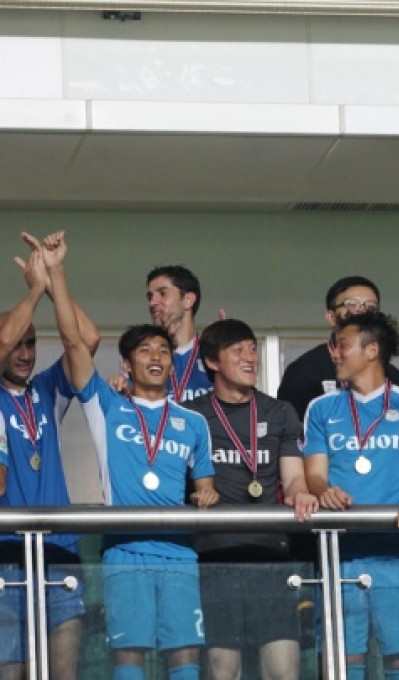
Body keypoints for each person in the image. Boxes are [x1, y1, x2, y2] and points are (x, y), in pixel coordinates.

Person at [50, 233, 219, 680]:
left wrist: (206, 495)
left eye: (163, 351)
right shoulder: (106, 406)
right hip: (124, 552)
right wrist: (56, 273)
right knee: (129, 661)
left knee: (185, 660)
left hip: (180, 554)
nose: (156, 357)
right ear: (127, 364)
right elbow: (73, 344)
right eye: (145, 351)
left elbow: (205, 486)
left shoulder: (193, 422)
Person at [303, 310, 399, 680]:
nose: (334, 353)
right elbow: (313, 474)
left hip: (397, 553)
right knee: (343, 661)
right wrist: (324, 491)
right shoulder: (321, 408)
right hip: (339, 554)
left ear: (372, 350)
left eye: (342, 345)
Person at [184, 318, 318, 680]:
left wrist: (300, 492)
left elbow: (293, 477)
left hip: (270, 554)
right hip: (215, 556)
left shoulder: (279, 412)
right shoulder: (192, 415)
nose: (250, 357)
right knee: (223, 670)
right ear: (212, 361)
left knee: (283, 670)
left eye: (253, 349)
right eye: (237, 350)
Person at [0, 232, 99, 680]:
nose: (24, 353)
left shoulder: (45, 389)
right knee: (12, 672)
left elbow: (88, 340)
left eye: (31, 344)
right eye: (17, 345)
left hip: (60, 552)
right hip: (5, 553)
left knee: (64, 672)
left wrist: (55, 277)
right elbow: (3, 337)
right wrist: (34, 288)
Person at [277, 275, 399, 422]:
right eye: (351, 304)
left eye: (371, 306)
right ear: (331, 317)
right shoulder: (303, 371)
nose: (362, 311)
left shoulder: (392, 375)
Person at [146, 265, 214, 402]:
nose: (152, 302)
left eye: (162, 293)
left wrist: (228, 349)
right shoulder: (143, 355)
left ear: (188, 300)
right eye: (150, 296)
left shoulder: (212, 351)